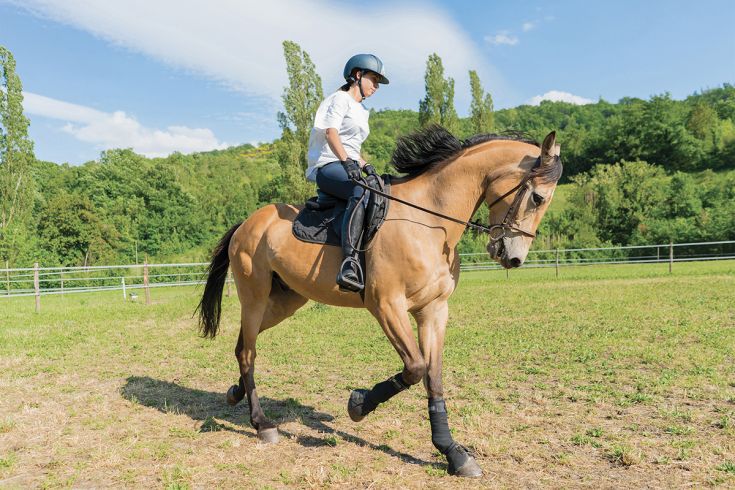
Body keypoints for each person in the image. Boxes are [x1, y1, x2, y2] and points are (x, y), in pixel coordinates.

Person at [306, 54, 389, 292]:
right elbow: (332, 133)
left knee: (379, 191)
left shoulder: (362, 110)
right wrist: (348, 163)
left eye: (378, 82)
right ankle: (349, 263)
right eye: (373, 79)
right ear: (357, 75)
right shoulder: (340, 99)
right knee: (360, 190)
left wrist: (365, 165)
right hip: (328, 165)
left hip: (346, 163)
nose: (376, 86)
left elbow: (353, 148)